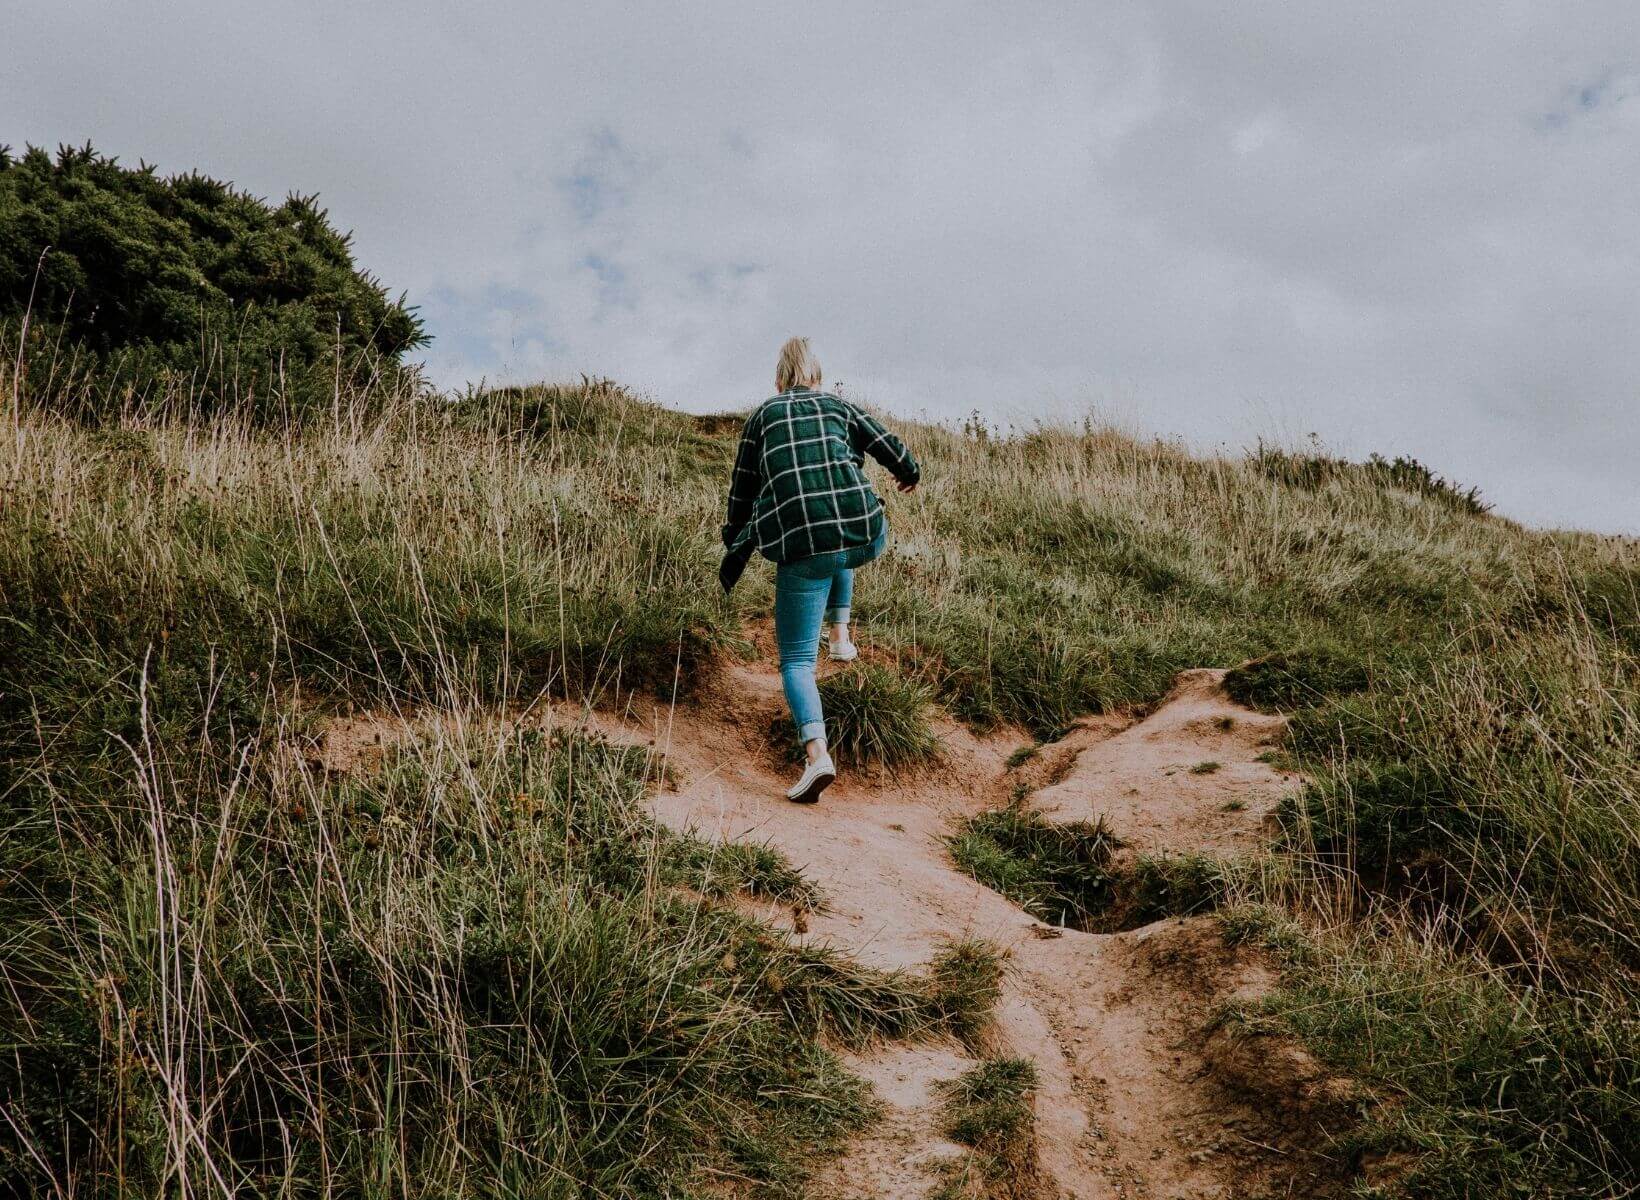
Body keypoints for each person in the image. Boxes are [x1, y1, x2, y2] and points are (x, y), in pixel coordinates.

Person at [718, 336, 920, 803]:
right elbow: (888, 444)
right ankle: (841, 635)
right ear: (817, 375)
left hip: (801, 549)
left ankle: (816, 756)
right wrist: (908, 471)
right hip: (864, 533)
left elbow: (742, 488)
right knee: (840, 538)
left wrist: (735, 539)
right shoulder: (838, 405)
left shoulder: (762, 417)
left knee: (795, 662)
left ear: (779, 378)